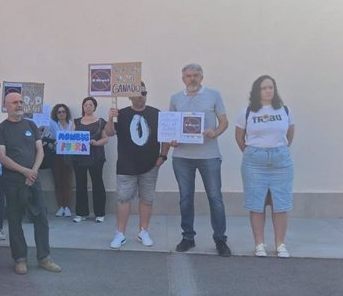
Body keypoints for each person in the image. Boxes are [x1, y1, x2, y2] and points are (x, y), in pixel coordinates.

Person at [0, 92, 62, 275]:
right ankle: (20, 259)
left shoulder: (31, 125)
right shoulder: (1, 129)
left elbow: (39, 150)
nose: (19, 105)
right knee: (15, 220)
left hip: (33, 180)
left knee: (41, 218)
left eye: (21, 102)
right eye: (15, 102)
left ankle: (44, 257)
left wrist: (33, 171)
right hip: (12, 181)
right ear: (6, 105)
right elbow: (2, 156)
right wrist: (24, 171)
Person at [169, 63, 231, 256]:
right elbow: (170, 125)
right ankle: (188, 237)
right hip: (182, 157)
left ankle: (220, 239)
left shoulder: (214, 95)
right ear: (183, 79)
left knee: (215, 198)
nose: (192, 79)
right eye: (188, 76)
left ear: (202, 77)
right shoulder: (175, 98)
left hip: (209, 156)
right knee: (185, 199)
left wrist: (215, 132)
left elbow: (224, 122)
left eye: (196, 75)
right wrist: (172, 140)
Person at [235, 75, 295, 258]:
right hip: (254, 162)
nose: (268, 91)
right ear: (257, 91)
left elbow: (290, 134)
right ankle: (259, 244)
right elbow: (239, 136)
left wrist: (277, 150)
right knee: (257, 204)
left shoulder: (284, 110)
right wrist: (252, 153)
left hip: (280, 162)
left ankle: (280, 244)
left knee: (281, 204)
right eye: (264, 88)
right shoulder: (247, 112)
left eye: (271, 87)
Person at [105, 83, 169, 248]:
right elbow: (109, 133)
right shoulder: (122, 114)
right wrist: (111, 118)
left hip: (150, 165)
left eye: (144, 92)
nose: (141, 96)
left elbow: (166, 135)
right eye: (138, 93)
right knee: (123, 199)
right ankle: (120, 233)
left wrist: (163, 156)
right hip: (126, 165)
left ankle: (143, 231)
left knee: (147, 200)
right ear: (129, 95)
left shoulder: (157, 114)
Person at [72, 97, 109, 223]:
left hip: (96, 156)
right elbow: (70, 138)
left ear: (94, 107)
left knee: (97, 184)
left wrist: (96, 143)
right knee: (80, 185)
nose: (88, 107)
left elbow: (106, 138)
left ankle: (99, 213)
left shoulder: (100, 122)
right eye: (85, 105)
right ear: (83, 107)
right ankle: (81, 213)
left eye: (91, 105)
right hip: (79, 158)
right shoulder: (76, 122)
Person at [47, 103, 74, 218]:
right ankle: (60, 206)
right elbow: (47, 139)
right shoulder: (52, 124)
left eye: (63, 111)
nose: (61, 114)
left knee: (67, 181)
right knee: (57, 181)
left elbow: (75, 140)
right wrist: (53, 143)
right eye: (59, 112)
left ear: (66, 113)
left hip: (69, 156)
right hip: (56, 156)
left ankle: (67, 206)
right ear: (56, 114)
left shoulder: (72, 124)